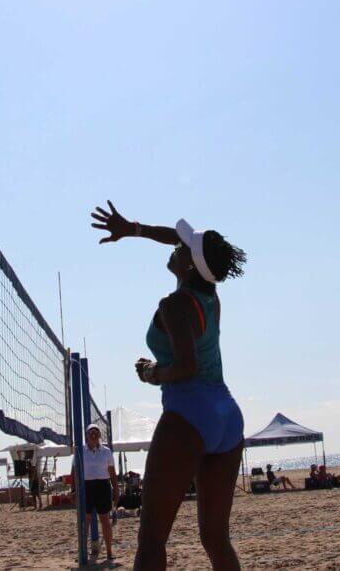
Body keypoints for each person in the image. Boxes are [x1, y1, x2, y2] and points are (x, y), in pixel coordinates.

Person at [91, 202, 247, 570]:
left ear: (190, 264)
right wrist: (134, 229)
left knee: (152, 538)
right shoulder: (210, 294)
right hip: (227, 416)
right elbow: (178, 238)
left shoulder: (175, 303)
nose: (176, 246)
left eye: (183, 248)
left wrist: (150, 372)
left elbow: (186, 366)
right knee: (215, 538)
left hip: (188, 414)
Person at [79, 424, 119, 562]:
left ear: (100, 435)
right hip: (87, 486)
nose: (94, 434)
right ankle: (83, 553)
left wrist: (116, 490)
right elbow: (74, 473)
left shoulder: (106, 451)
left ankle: (109, 552)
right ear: (87, 435)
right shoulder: (80, 451)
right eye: (91, 432)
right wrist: (73, 491)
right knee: (86, 520)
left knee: (105, 520)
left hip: (103, 486)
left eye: (96, 432)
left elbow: (112, 473)